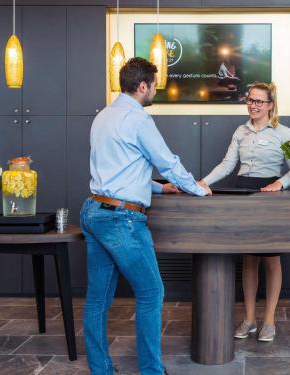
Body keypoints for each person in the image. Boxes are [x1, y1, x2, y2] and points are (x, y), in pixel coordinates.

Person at [80, 57, 212, 375]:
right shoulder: (138, 119)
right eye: (154, 85)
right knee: (152, 292)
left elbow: (119, 170)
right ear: (143, 86)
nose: (155, 91)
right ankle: (151, 371)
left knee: (97, 300)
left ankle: (101, 370)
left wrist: (158, 189)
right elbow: (167, 161)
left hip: (94, 211)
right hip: (121, 219)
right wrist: (196, 188)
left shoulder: (103, 117)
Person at [200, 82, 290, 342]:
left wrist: (280, 183)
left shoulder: (283, 132)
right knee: (248, 259)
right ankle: (249, 319)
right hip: (242, 192)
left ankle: (269, 321)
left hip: (269, 195)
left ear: (270, 105)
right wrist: (203, 183)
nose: (253, 105)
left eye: (259, 101)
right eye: (250, 100)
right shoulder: (240, 131)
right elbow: (227, 164)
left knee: (271, 260)